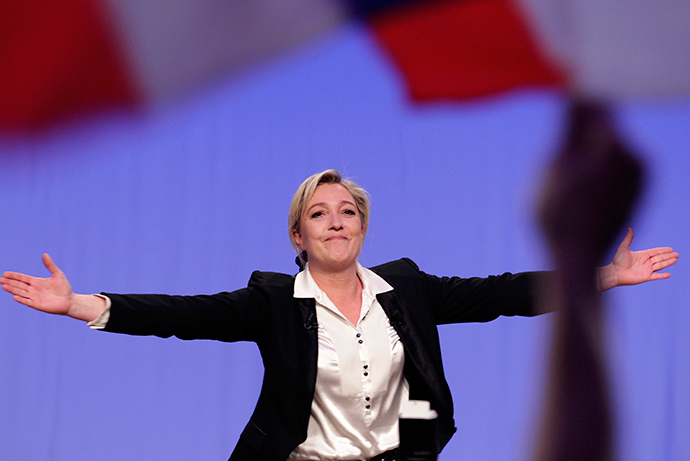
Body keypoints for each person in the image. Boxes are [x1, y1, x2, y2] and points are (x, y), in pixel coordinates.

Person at [0, 169, 678, 461]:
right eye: (318, 213)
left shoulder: (407, 290)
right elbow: (184, 314)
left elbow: (503, 293)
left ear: (363, 228)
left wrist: (605, 276)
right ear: (298, 235)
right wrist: (79, 304)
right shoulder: (272, 300)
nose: (335, 221)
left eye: (347, 210)